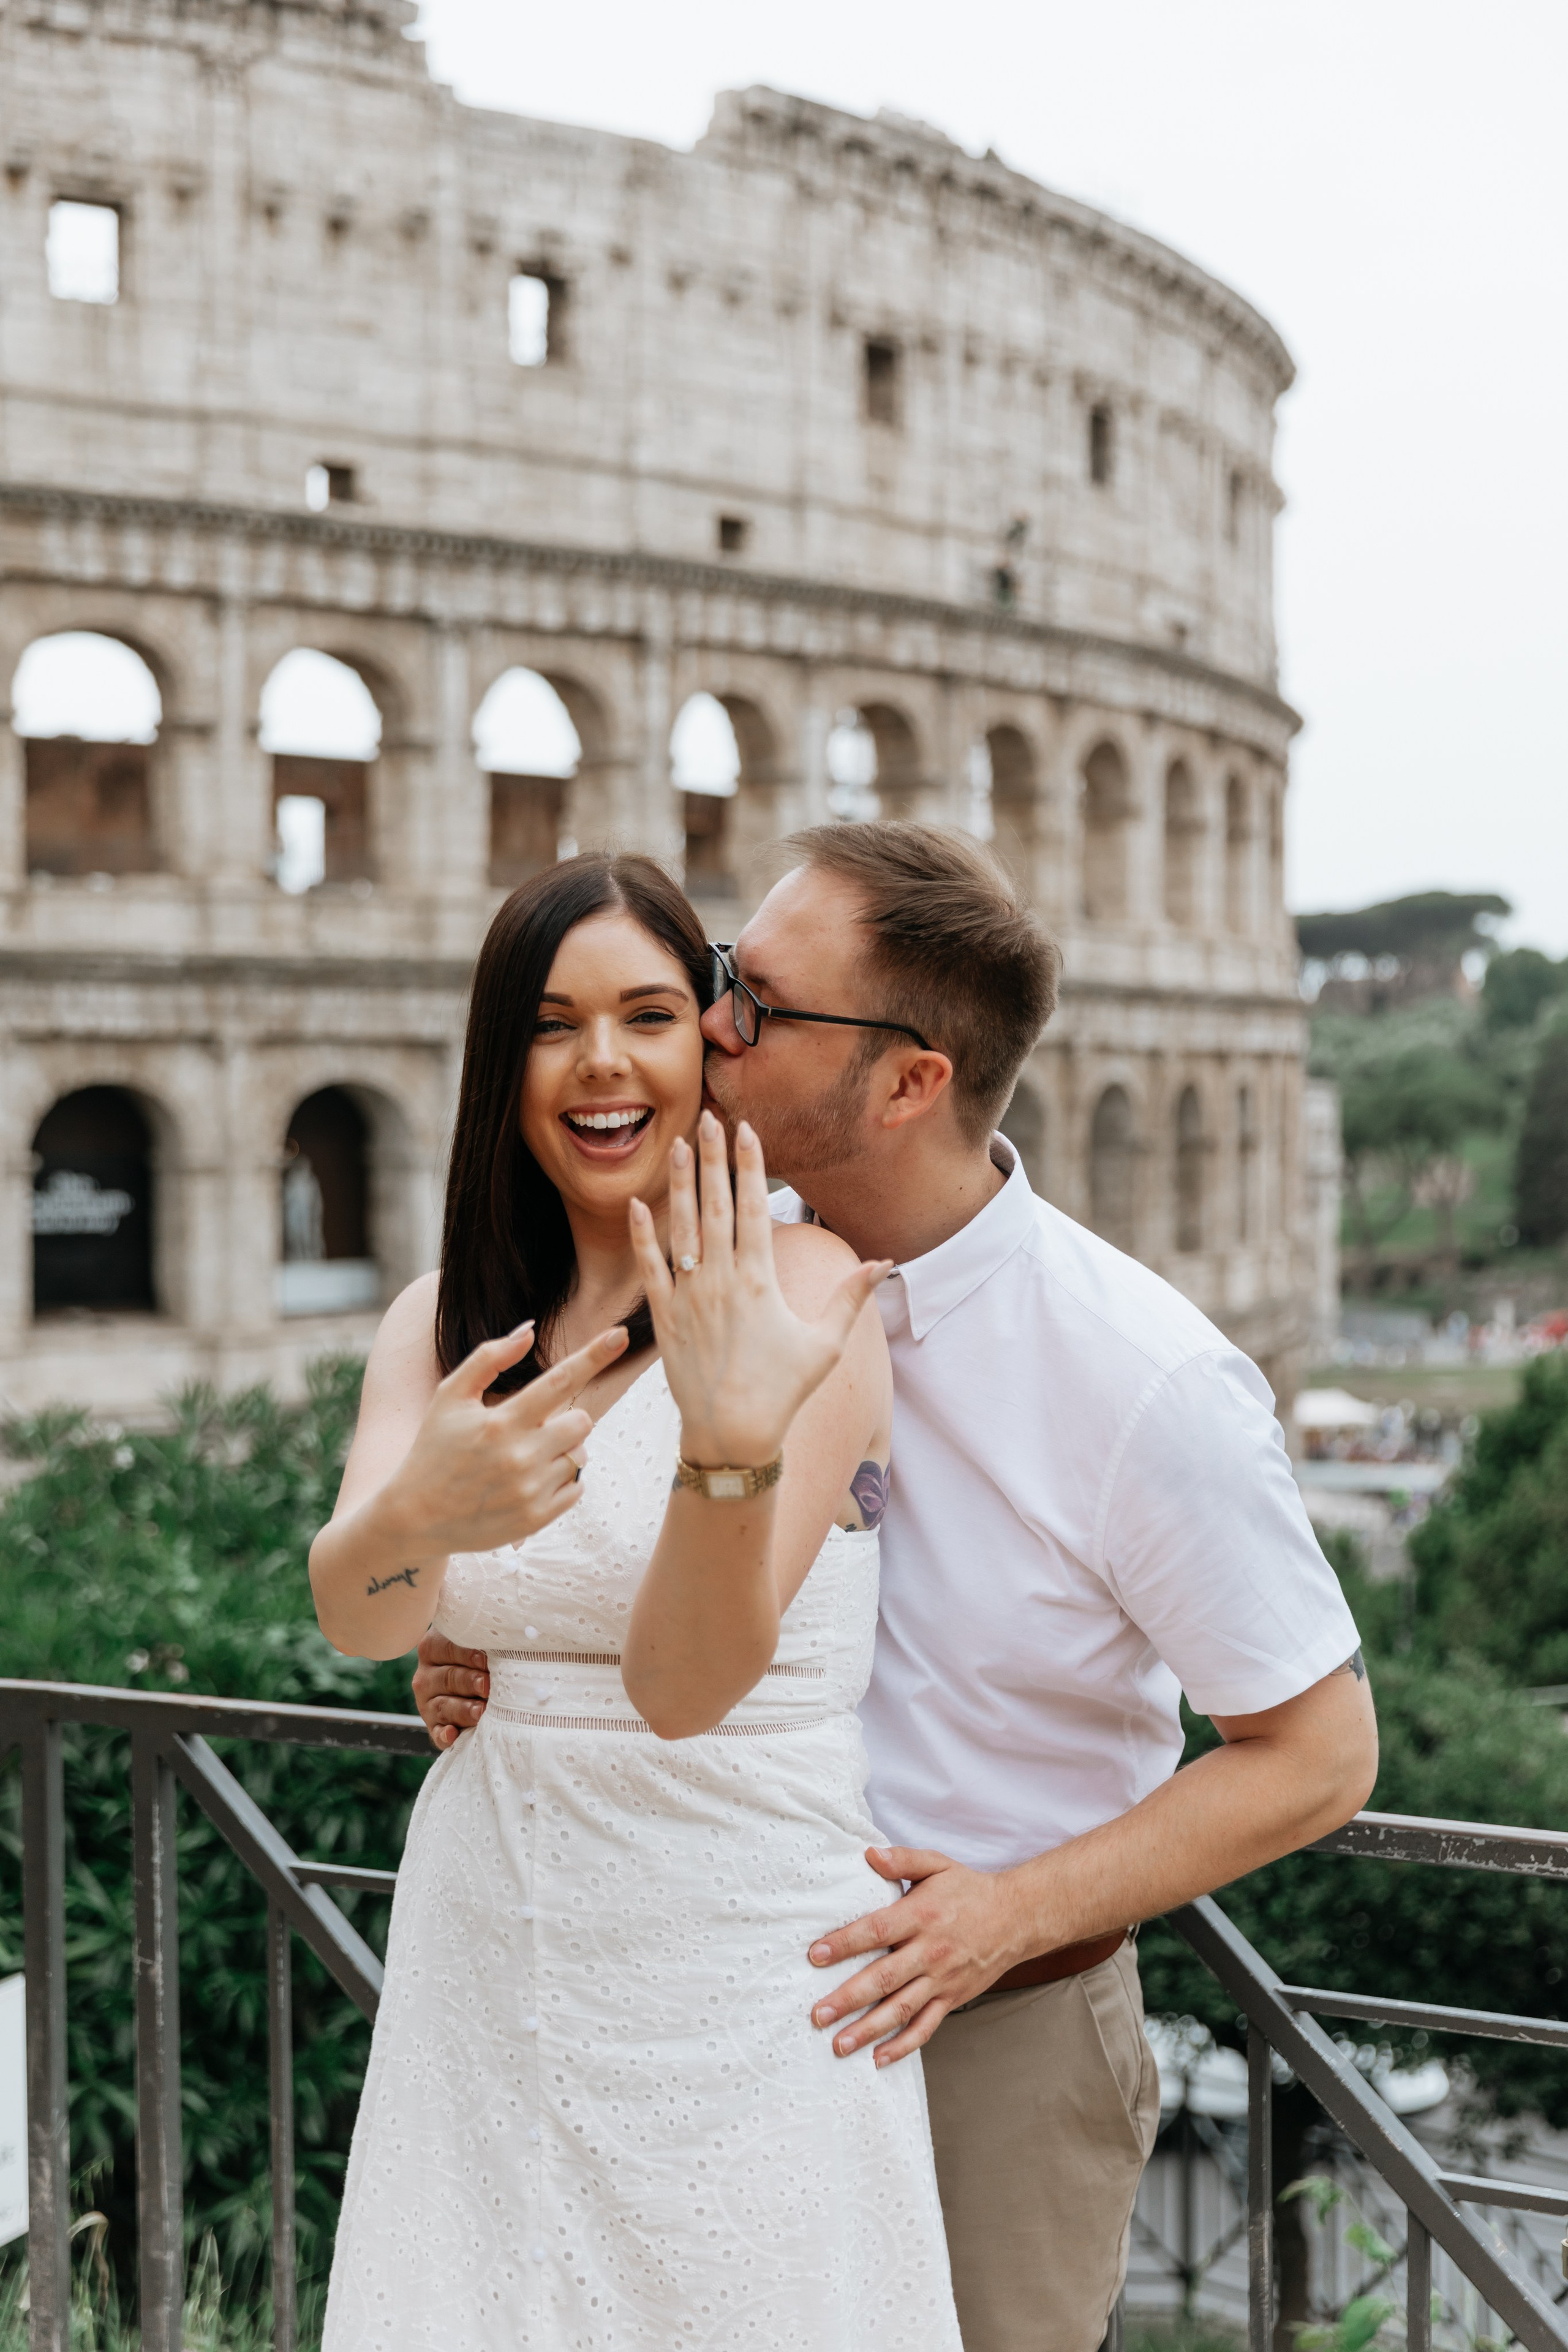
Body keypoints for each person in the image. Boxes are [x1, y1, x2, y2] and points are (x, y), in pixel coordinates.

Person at [416, 821, 1379, 2352]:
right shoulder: (720, 1260)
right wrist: (506, 1652)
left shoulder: (1141, 1377)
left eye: (755, 1000)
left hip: (979, 2024)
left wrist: (1008, 1916)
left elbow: (1322, 1752)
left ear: (910, 1079)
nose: (710, 1021)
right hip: (692, 1993)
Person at [309, 851, 963, 2350]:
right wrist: (423, 1515)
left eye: (648, 1015)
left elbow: (683, 1688)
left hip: (735, 1966)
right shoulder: (445, 1317)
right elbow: (363, 1614)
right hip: (493, 1952)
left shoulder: (802, 1296)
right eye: (551, 1024)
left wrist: (725, 1446)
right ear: (503, 1062)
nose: (601, 1063)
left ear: (706, 1045)